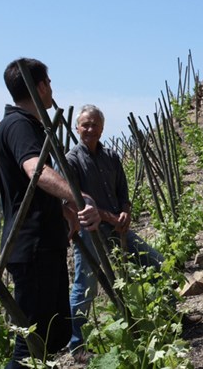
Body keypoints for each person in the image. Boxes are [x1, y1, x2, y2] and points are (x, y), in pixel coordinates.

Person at [0, 58, 100, 368]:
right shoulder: (18, 125)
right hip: (32, 248)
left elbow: (35, 188)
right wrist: (78, 197)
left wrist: (64, 209)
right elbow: (35, 171)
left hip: (43, 245)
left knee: (53, 336)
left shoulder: (26, 125)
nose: (51, 88)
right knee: (29, 346)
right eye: (49, 82)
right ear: (40, 86)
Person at [66, 104, 165, 353]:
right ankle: (77, 345)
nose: (90, 129)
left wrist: (126, 213)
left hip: (117, 227)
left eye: (95, 124)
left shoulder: (111, 156)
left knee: (156, 263)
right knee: (86, 286)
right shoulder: (70, 161)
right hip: (90, 231)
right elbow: (74, 200)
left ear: (102, 128)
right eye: (85, 124)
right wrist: (112, 217)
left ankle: (169, 318)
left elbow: (123, 191)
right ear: (77, 128)